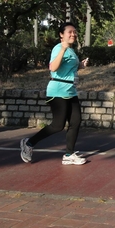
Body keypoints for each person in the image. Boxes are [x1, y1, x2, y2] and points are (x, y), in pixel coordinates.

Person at [20, 22, 89, 165]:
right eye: (70, 32)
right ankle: (29, 143)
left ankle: (69, 155)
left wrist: (80, 65)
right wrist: (62, 49)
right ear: (61, 35)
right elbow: (53, 67)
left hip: (70, 91)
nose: (73, 34)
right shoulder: (59, 48)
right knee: (58, 125)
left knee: (75, 122)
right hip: (58, 91)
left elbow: (67, 69)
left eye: (75, 32)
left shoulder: (71, 50)